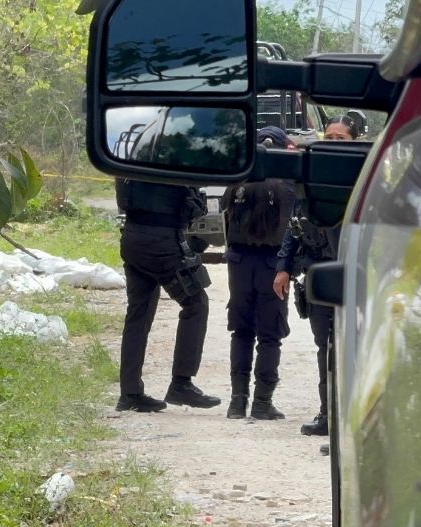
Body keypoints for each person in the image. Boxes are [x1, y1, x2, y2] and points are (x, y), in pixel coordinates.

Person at [273, 114, 359, 436]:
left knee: (354, 351)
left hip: (350, 280)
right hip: (319, 277)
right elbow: (294, 227)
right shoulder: (311, 178)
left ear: (356, 142)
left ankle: (350, 425)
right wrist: (283, 267)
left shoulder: (362, 181)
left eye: (342, 139)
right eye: (330, 137)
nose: (334, 143)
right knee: (326, 348)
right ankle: (329, 417)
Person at [115, 178, 221, 412]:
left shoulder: (132, 162)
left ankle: (130, 392)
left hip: (132, 237)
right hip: (162, 244)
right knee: (196, 304)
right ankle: (181, 383)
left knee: (138, 314)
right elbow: (193, 207)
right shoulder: (170, 164)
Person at [222, 126, 297, 420]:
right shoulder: (287, 187)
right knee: (270, 336)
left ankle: (237, 401)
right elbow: (294, 228)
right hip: (273, 266)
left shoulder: (235, 184)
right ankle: (262, 402)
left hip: (238, 264)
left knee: (241, 331)